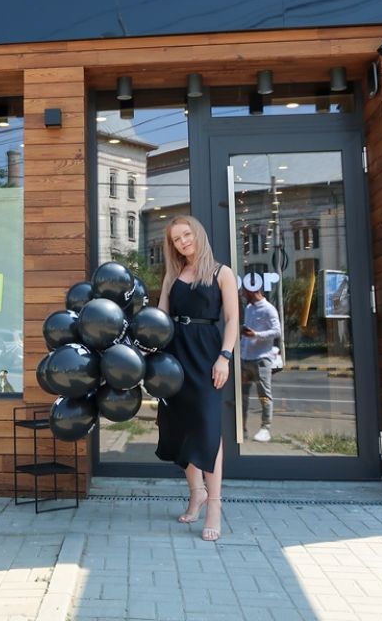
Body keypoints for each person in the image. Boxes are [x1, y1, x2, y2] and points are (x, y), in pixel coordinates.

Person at [154, 215, 240, 543]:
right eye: (176, 239)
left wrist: (225, 357)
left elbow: (232, 319)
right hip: (175, 355)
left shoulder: (222, 273)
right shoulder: (173, 275)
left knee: (207, 428)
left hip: (206, 354)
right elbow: (160, 317)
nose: (183, 242)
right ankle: (196, 493)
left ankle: (214, 505)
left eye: (186, 235)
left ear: (198, 234)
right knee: (179, 426)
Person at [240, 285, 281, 443]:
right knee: (242, 396)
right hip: (246, 359)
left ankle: (266, 428)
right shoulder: (249, 308)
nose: (242, 293)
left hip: (262, 359)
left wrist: (256, 334)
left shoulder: (269, 309)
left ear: (252, 290)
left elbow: (277, 331)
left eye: (244, 290)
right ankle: (242, 428)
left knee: (264, 395)